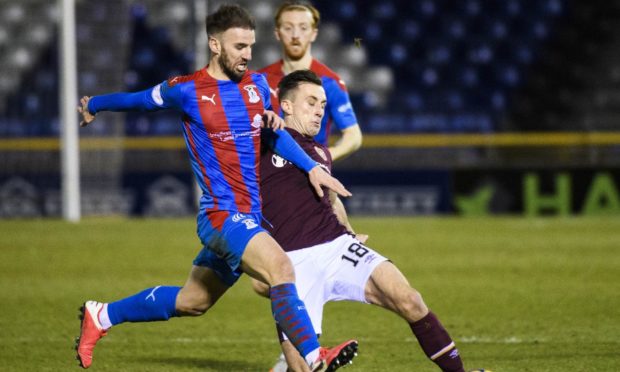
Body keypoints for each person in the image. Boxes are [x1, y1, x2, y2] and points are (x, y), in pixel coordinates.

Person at [74, 5, 357, 371]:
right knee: (282, 270)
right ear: (214, 44)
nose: (247, 55)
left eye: (251, 46)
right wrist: (95, 104)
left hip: (251, 218)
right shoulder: (187, 90)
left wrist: (311, 168)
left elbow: (277, 136)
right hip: (222, 215)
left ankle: (102, 315)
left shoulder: (256, 86)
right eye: (239, 46)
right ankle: (315, 358)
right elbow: (140, 100)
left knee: (194, 300)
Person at [255, 70, 468, 372]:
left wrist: (351, 234)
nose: (319, 111)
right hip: (290, 264)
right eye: (311, 102)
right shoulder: (262, 138)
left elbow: (330, 200)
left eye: (323, 105)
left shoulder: (321, 152)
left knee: (409, 299)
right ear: (286, 105)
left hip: (336, 247)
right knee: (302, 367)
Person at [259, 0, 362, 162]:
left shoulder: (330, 82)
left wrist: (324, 157)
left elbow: (353, 135)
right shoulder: (259, 80)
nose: (295, 35)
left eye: (303, 28)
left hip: (310, 181)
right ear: (277, 33)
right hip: (268, 179)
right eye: (288, 27)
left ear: (314, 33)